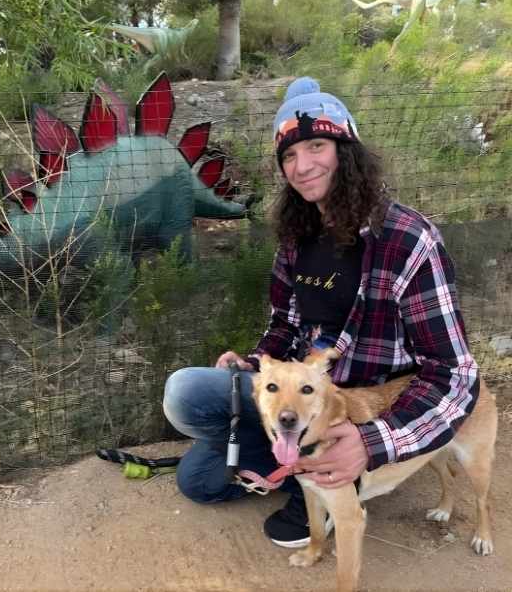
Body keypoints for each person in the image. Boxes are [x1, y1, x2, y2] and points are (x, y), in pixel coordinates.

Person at [162, 77, 481, 549]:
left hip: (362, 408)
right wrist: (255, 364)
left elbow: (455, 377)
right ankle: (302, 471)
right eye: (288, 155)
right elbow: (283, 327)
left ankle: (338, 479)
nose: (301, 165)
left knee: (211, 469)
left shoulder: (408, 240)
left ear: (346, 151)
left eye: (316, 145)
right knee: (192, 437)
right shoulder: (296, 239)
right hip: (301, 396)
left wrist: (375, 441)